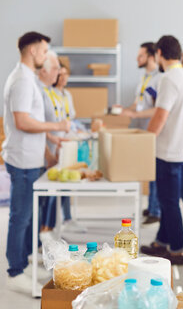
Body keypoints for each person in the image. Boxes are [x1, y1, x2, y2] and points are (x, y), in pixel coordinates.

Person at [2, 32, 69, 294]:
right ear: (31, 50)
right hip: (21, 160)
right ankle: (14, 271)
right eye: (43, 51)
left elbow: (33, 121)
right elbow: (23, 121)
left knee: (29, 216)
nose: (45, 56)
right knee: (20, 217)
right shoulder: (21, 80)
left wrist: (48, 145)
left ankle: (24, 261)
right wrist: (57, 126)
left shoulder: (28, 79)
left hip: (32, 158)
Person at [140, 35, 183, 264]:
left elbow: (159, 117)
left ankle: (176, 250)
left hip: (167, 152)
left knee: (169, 202)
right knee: (168, 201)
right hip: (180, 150)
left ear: (159, 54)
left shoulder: (167, 79)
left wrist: (142, 144)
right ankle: (161, 242)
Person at [39, 61, 87, 240]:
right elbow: (46, 123)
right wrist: (53, 140)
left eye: (66, 74)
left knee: (63, 187)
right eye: (61, 73)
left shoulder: (65, 95)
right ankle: (45, 230)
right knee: (51, 191)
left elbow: (69, 119)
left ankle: (59, 223)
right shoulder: (47, 94)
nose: (64, 77)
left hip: (63, 143)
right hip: (50, 146)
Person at [121, 42, 162, 226]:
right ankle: (151, 206)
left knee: (154, 171)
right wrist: (124, 110)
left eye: (141, 56)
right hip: (142, 131)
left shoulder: (159, 79)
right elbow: (139, 104)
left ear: (152, 56)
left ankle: (156, 210)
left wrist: (135, 114)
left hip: (154, 130)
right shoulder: (144, 78)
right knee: (148, 169)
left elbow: (157, 110)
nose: (138, 59)